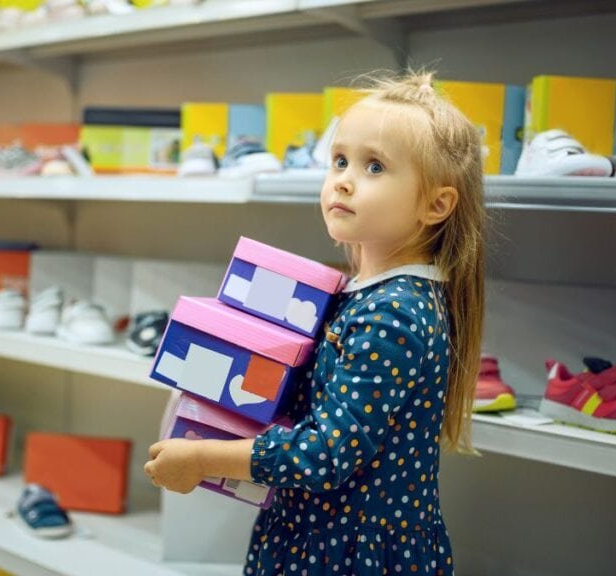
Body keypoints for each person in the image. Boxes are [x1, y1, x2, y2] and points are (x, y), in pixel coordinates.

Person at [144, 70, 486, 576]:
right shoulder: (363, 293)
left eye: (374, 167)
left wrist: (203, 458)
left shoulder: (392, 313)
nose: (343, 179)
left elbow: (326, 454)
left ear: (436, 204)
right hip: (321, 535)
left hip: (346, 551)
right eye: (340, 160)